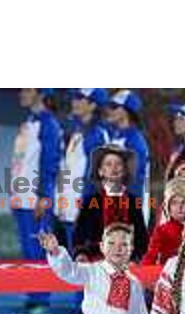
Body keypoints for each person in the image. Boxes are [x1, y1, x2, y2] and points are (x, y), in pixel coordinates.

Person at [10, 88, 63, 314]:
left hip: (36, 198)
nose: (21, 92)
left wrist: (44, 196)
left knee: (38, 250)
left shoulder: (48, 124)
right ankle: (33, 297)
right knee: (28, 250)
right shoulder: (28, 122)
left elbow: (50, 163)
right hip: (22, 196)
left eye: (27, 88)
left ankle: (41, 300)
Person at [73, 145, 148, 263]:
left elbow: (141, 238)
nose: (114, 168)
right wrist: (81, 254)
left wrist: (136, 258)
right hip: (96, 262)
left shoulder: (133, 202)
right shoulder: (91, 201)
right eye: (108, 164)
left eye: (118, 164)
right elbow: (79, 235)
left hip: (127, 263)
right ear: (100, 171)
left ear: (124, 170)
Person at [57, 89, 110, 253]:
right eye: (74, 97)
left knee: (85, 263)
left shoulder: (97, 134)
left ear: (93, 105)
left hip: (83, 209)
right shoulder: (78, 131)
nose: (75, 102)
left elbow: (97, 175)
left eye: (81, 99)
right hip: (70, 206)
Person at [106, 90, 151, 224]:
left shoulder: (135, 142)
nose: (109, 110)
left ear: (126, 112)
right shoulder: (115, 137)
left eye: (114, 107)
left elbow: (134, 181)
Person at [141, 177, 185, 266]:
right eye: (174, 203)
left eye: (184, 202)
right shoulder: (162, 230)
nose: (180, 207)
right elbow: (151, 257)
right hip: (169, 274)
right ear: (168, 207)